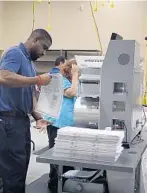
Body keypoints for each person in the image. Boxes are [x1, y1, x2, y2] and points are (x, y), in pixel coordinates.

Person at [0, 28, 53, 193]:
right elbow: (3, 77)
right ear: (34, 40)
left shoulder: (29, 63)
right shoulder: (15, 54)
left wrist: (36, 115)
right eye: (44, 47)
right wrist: (39, 79)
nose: (44, 53)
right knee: (13, 171)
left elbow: (28, 93)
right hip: (7, 120)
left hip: (20, 120)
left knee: (20, 166)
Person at [44, 58, 80, 193]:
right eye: (75, 69)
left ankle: (66, 183)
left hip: (71, 125)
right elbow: (71, 93)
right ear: (69, 69)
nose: (78, 72)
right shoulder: (60, 80)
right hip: (57, 124)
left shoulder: (75, 81)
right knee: (56, 156)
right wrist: (75, 75)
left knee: (69, 157)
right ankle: (53, 185)